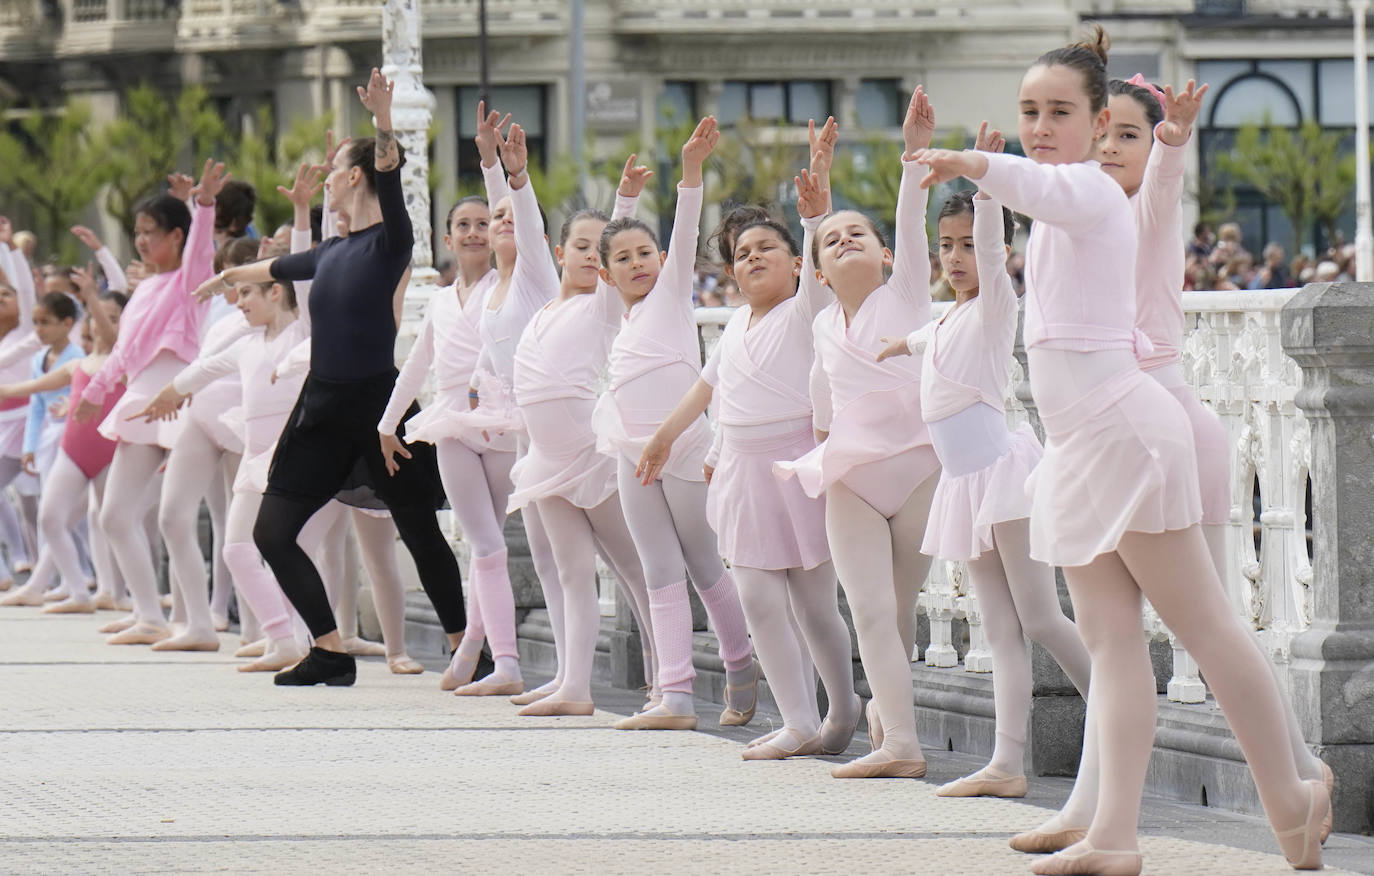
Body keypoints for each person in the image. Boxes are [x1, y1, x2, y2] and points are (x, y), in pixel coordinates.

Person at [912, 26, 1329, 873]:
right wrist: (967, 175)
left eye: (1059, 111)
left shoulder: (1094, 194)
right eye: (1030, 110)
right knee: (1111, 646)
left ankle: (1292, 795)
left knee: (1206, 627)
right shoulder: (1058, 202)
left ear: (1100, 122)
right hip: (1077, 444)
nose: (1039, 125)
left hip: (1125, 433)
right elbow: (1010, 227)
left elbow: (1039, 182)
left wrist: (969, 160)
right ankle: (1114, 836)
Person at [194, 68, 465, 687]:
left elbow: (392, 183)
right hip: (319, 409)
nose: (327, 180)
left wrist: (382, 125)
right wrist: (225, 279)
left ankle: (465, 645)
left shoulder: (389, 243)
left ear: (351, 178)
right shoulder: (331, 251)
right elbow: (277, 262)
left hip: (378, 410)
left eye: (336, 170)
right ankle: (329, 648)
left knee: (420, 532)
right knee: (271, 531)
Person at [878, 125, 1092, 799]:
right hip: (965, 487)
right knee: (997, 627)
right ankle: (1006, 763)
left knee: (1039, 617)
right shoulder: (943, 321)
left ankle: (1120, 707)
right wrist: (892, 347)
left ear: (997, 251)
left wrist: (988, 180)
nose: (955, 258)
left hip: (1003, 474)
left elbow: (993, 270)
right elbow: (922, 338)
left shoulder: (998, 305)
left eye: (969, 246)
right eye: (947, 247)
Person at [639, 116, 862, 759]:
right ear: (731, 275)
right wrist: (665, 439)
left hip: (797, 463)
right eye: (742, 254)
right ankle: (795, 719)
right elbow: (710, 391)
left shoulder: (805, 312)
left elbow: (825, 262)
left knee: (816, 603)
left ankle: (841, 708)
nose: (753, 257)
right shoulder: (734, 328)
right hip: (741, 471)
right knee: (760, 597)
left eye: (767, 247)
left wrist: (818, 198)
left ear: (798, 264)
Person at [774, 87, 941, 779]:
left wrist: (912, 152)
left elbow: (912, 210)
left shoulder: (907, 294)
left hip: (920, 467)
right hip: (849, 472)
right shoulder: (818, 321)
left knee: (899, 609)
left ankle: (890, 719)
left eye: (858, 235)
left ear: (887, 255)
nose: (845, 241)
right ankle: (901, 743)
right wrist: (820, 190)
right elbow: (820, 402)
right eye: (832, 240)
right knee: (868, 608)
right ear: (816, 269)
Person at [594, 116, 759, 732]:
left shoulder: (666, 297)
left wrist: (689, 173)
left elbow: (686, 229)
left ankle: (742, 666)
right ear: (607, 274)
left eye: (646, 255)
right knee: (657, 570)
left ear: (661, 263)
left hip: (685, 447)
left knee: (704, 563)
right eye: (624, 260)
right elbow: (613, 239)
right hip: (630, 452)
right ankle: (676, 694)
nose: (637, 265)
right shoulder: (616, 315)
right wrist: (625, 199)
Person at [497, 153, 656, 718]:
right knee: (569, 573)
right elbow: (529, 242)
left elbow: (616, 235)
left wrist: (627, 199)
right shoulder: (540, 308)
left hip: (590, 457)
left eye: (601, 249)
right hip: (546, 461)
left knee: (636, 570)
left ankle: (666, 681)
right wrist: (516, 177)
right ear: (558, 254)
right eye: (581, 247)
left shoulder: (601, 309)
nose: (592, 256)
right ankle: (573, 684)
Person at [380, 102, 528, 696]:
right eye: (462, 225)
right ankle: (505, 661)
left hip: (503, 424)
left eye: (482, 223)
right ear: (446, 238)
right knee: (483, 543)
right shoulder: (441, 301)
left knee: (490, 545)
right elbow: (416, 363)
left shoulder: (511, 283)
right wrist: (390, 423)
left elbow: (517, 216)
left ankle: (471, 645)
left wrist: (493, 163)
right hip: (452, 427)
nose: (473, 232)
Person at [72, 161, 225, 645]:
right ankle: (149, 615)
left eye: (150, 232)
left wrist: (201, 206)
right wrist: (95, 395)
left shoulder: (189, 284)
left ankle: (200, 622)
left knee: (177, 519)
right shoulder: (144, 290)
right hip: (140, 406)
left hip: (180, 402)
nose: (140, 241)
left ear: (174, 236)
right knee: (114, 514)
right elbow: (122, 350)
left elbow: (200, 251)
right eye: (137, 232)